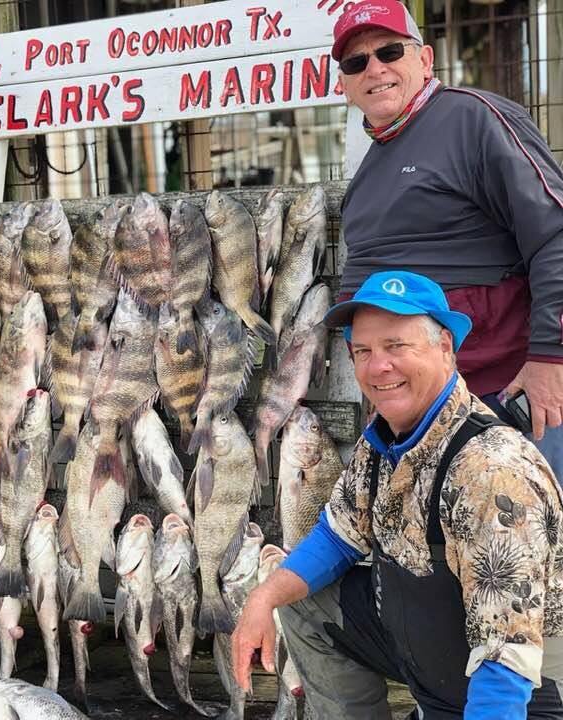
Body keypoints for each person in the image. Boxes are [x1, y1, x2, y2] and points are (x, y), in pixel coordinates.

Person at [232, 270, 563, 719]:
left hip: (524, 688)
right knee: (302, 598)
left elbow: (506, 654)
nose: (377, 366)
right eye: (363, 351)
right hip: (431, 653)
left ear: (445, 347)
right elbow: (337, 535)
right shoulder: (382, 440)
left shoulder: (493, 472)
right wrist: (263, 596)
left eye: (396, 346)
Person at [333, 0, 563, 475]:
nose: (375, 69)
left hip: (515, 398)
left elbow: (555, 235)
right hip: (426, 417)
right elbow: (362, 295)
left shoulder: (474, 120)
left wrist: (550, 358)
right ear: (345, 85)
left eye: (390, 52)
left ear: (424, 59)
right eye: (356, 62)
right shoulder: (364, 178)